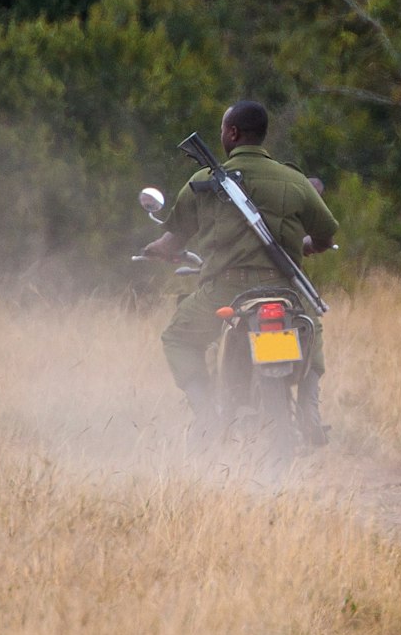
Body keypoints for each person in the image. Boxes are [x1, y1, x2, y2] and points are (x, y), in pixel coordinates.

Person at [140, 100, 338, 440]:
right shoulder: (294, 180)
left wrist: (157, 249)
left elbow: (174, 240)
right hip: (286, 290)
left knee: (178, 338)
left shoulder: (203, 182)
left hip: (225, 291)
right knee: (312, 328)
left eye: (222, 130)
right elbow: (326, 233)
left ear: (232, 132)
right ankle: (308, 409)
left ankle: (206, 417)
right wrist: (309, 246)